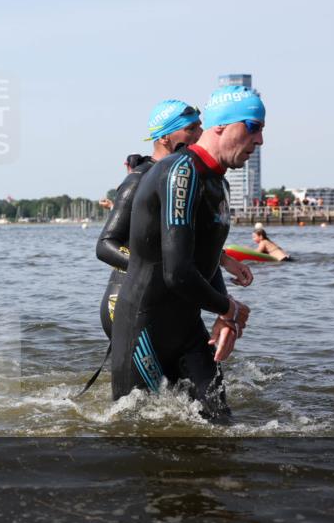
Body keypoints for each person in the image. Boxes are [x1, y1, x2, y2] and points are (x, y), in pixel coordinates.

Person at [109, 85, 265, 424]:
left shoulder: (218, 182)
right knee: (135, 437)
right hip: (144, 328)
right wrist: (231, 309)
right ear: (222, 126)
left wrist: (225, 317)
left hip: (187, 329)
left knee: (222, 426)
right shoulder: (181, 172)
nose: (260, 140)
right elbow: (177, 271)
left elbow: (204, 259)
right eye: (252, 127)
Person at [95, 100, 251, 339]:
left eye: (200, 126)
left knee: (207, 376)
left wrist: (223, 261)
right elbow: (105, 245)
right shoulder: (139, 179)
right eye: (191, 129)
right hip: (128, 299)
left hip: (172, 299)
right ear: (165, 138)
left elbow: (185, 245)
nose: (200, 134)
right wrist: (152, 269)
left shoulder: (193, 178)